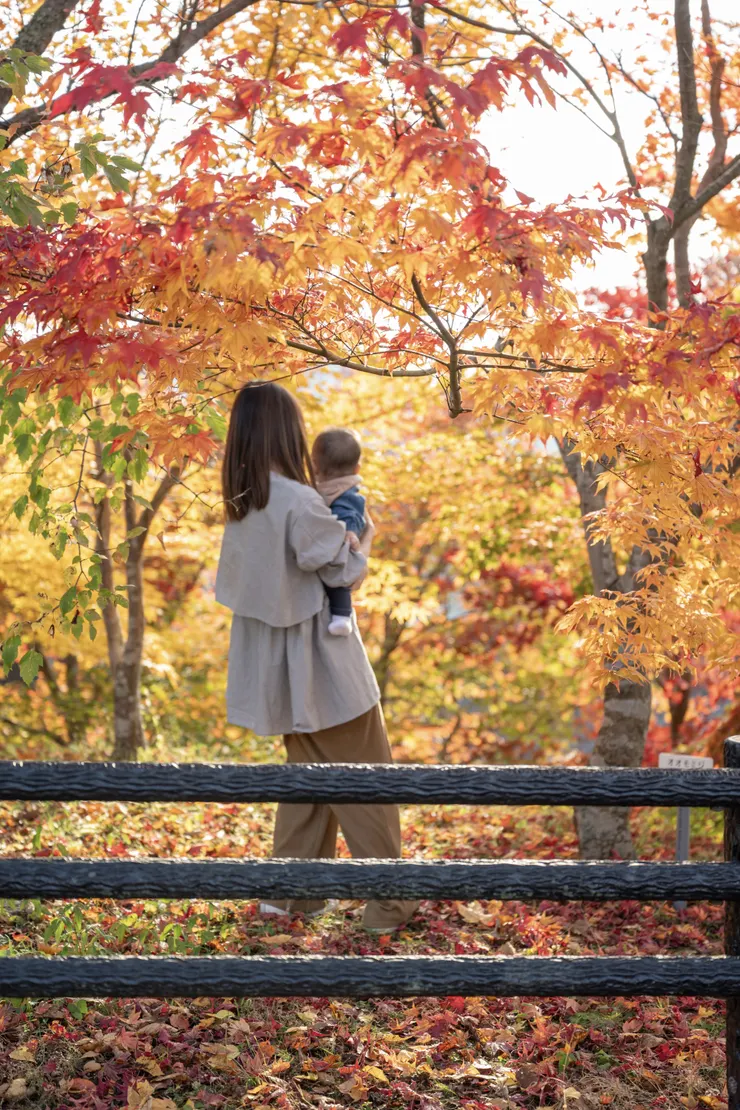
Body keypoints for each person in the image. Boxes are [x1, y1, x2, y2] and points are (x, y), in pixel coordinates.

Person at [215, 382, 418, 933]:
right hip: (325, 669)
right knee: (367, 781)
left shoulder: (243, 501)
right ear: (289, 431)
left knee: (307, 783)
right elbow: (342, 570)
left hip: (280, 674)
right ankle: (391, 903)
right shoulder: (300, 500)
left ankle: (290, 896)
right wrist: (363, 532)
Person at [312, 427, 365, 638]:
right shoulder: (341, 487)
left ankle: (342, 616)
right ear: (357, 468)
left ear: (315, 465)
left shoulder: (344, 490)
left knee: (339, 576)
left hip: (340, 539)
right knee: (337, 577)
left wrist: (350, 532)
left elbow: (350, 514)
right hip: (333, 540)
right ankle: (341, 615)